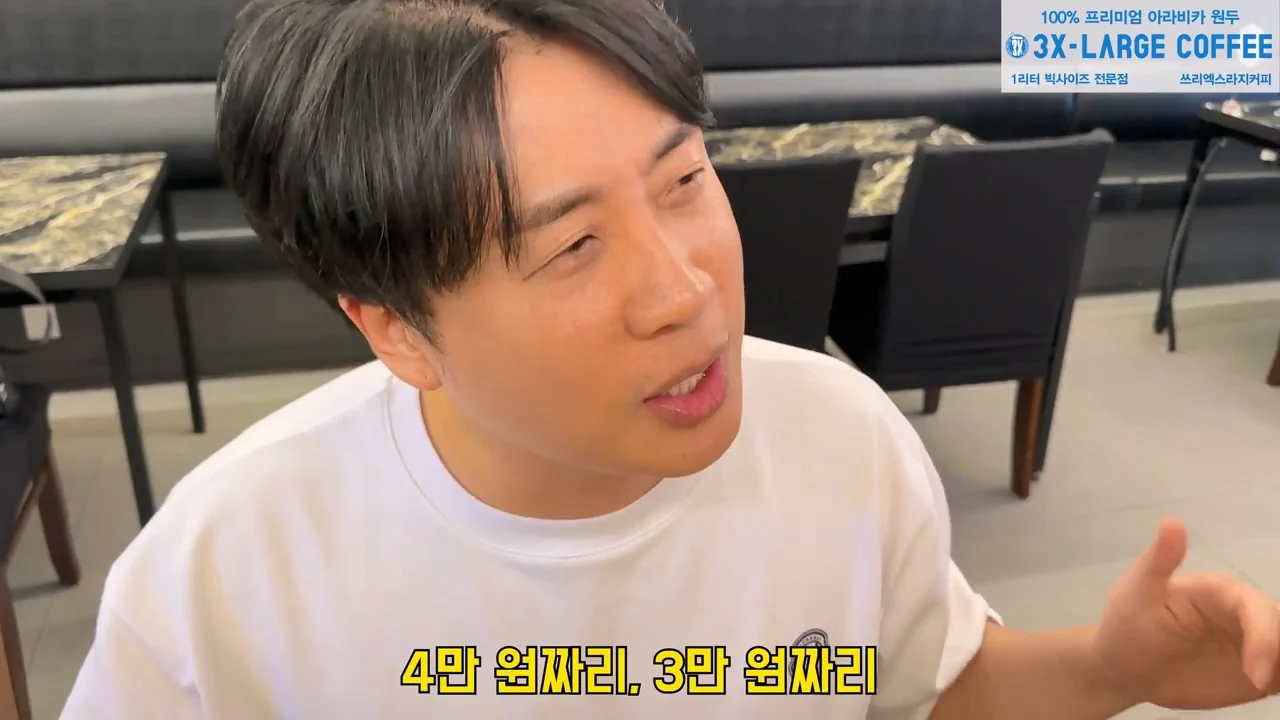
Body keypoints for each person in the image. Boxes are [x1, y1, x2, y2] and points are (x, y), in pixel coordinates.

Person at [62, 0, 1280, 717]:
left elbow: (921, 689)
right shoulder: (227, 568)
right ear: (395, 328)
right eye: (571, 245)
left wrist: (1105, 669)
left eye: (684, 179)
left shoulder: (838, 436)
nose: (686, 289)